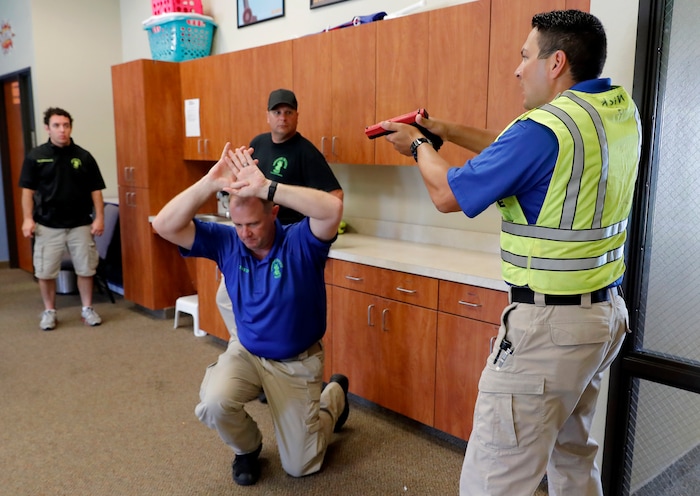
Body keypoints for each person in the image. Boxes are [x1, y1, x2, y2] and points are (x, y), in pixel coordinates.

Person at [381, 10, 641, 496]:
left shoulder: (544, 129)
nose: (518, 69)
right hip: (603, 319)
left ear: (556, 62)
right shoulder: (614, 112)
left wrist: (418, 145)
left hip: (549, 332)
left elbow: (447, 195)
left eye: (526, 56)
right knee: (573, 461)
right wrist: (445, 130)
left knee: (493, 478)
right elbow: (513, 151)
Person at [152, 142, 348, 486]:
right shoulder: (228, 241)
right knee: (213, 403)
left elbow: (332, 208)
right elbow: (165, 226)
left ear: (273, 213)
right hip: (247, 352)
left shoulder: (301, 242)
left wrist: (268, 187)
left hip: (296, 362)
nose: (246, 234)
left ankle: (333, 398)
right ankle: (247, 448)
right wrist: (210, 183)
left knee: (301, 466)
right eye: (238, 224)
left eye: (253, 224)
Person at [216, 88, 343, 399]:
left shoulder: (306, 152)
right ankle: (253, 357)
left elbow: (335, 198)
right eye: (277, 112)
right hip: (254, 242)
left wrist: (299, 224)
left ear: (297, 115)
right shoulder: (258, 144)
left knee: (282, 308)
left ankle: (286, 370)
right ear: (268, 115)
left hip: (289, 243)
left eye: (288, 112)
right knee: (225, 296)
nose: (282, 117)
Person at [19, 107, 106, 331]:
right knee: (45, 272)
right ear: (47, 128)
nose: (62, 130)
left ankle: (87, 308)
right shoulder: (36, 157)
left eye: (66, 125)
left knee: (86, 269)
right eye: (57, 126)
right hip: (48, 224)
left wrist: (99, 218)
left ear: (70, 127)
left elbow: (96, 190)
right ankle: (49, 311)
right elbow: (27, 192)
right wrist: (27, 219)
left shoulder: (83, 156)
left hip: (80, 223)